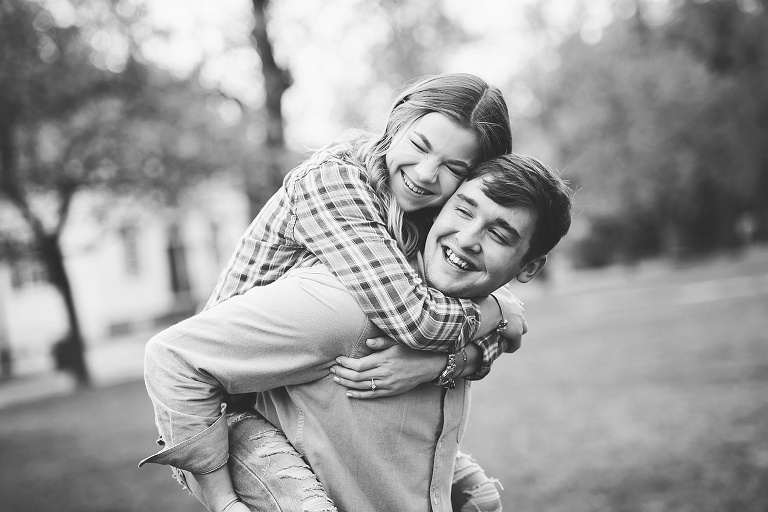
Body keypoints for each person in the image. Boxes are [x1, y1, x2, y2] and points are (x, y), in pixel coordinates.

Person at [142, 73, 524, 511]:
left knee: (480, 499)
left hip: (315, 398)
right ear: (396, 123)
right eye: (419, 146)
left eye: (454, 168)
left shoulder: (428, 217)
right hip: (231, 409)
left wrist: (443, 362)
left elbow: (481, 328)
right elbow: (418, 320)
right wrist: (494, 311)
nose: (425, 174)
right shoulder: (334, 182)